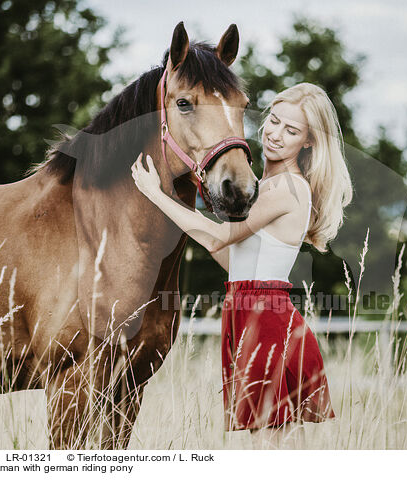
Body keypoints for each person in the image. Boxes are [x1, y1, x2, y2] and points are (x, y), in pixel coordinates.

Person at [131, 83, 353, 441]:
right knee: (266, 445)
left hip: (266, 320)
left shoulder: (288, 189)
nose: (276, 135)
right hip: (247, 310)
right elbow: (232, 260)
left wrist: (155, 194)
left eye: (291, 130)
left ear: (308, 142)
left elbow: (219, 235)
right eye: (274, 121)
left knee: (267, 446)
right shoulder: (268, 185)